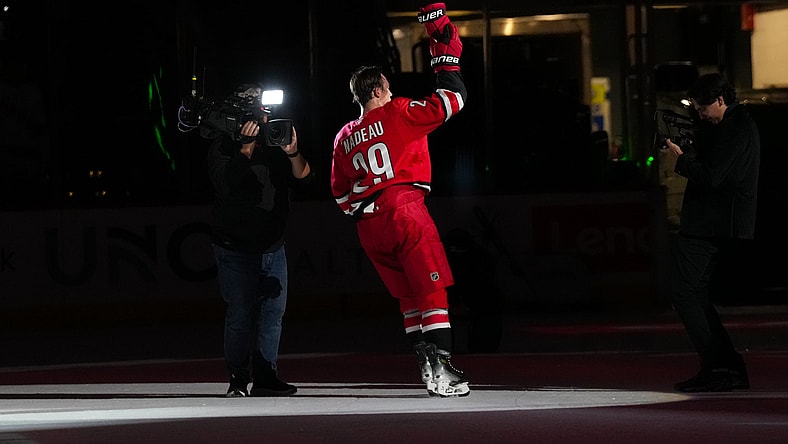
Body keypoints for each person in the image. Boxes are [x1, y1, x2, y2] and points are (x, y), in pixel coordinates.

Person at [330, 3, 469, 397]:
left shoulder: (343, 136)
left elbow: (340, 193)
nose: (392, 90)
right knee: (432, 290)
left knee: (409, 300)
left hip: (368, 224)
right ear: (377, 90)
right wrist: (444, 54)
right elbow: (454, 99)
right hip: (403, 209)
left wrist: (366, 209)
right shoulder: (398, 111)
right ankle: (442, 371)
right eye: (388, 86)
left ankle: (426, 368)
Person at [207, 84, 313, 397]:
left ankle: (266, 376)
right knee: (241, 314)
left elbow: (306, 179)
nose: (266, 118)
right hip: (235, 246)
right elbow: (225, 185)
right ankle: (238, 380)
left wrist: (293, 154)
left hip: (272, 246)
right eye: (260, 113)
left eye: (267, 113)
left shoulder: (275, 142)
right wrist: (243, 149)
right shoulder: (222, 144)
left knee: (272, 315)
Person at [661, 72, 760, 392]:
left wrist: (682, 159)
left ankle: (720, 365)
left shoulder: (736, 127)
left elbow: (713, 177)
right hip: (713, 222)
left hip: (710, 223)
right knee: (691, 292)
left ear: (721, 100)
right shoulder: (735, 125)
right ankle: (726, 365)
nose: (699, 113)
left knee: (685, 290)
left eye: (703, 107)